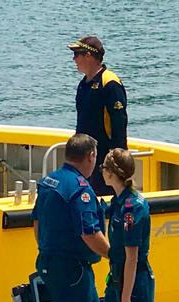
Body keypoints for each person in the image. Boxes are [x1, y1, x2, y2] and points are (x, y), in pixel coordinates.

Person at [32, 133, 110, 302]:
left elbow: (36, 222)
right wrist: (114, 256)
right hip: (72, 270)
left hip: (50, 264)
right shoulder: (80, 190)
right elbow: (89, 232)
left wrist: (47, 248)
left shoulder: (50, 181)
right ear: (91, 156)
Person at [97, 148, 154, 302]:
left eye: (103, 167)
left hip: (134, 286)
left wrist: (126, 300)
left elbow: (132, 258)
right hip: (116, 281)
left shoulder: (132, 207)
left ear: (111, 173)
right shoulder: (118, 202)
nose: (101, 171)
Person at [68, 36, 128, 196]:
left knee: (105, 197)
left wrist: (116, 157)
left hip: (103, 156)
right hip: (84, 155)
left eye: (76, 54)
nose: (74, 59)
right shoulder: (84, 84)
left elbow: (119, 123)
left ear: (88, 55)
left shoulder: (109, 82)